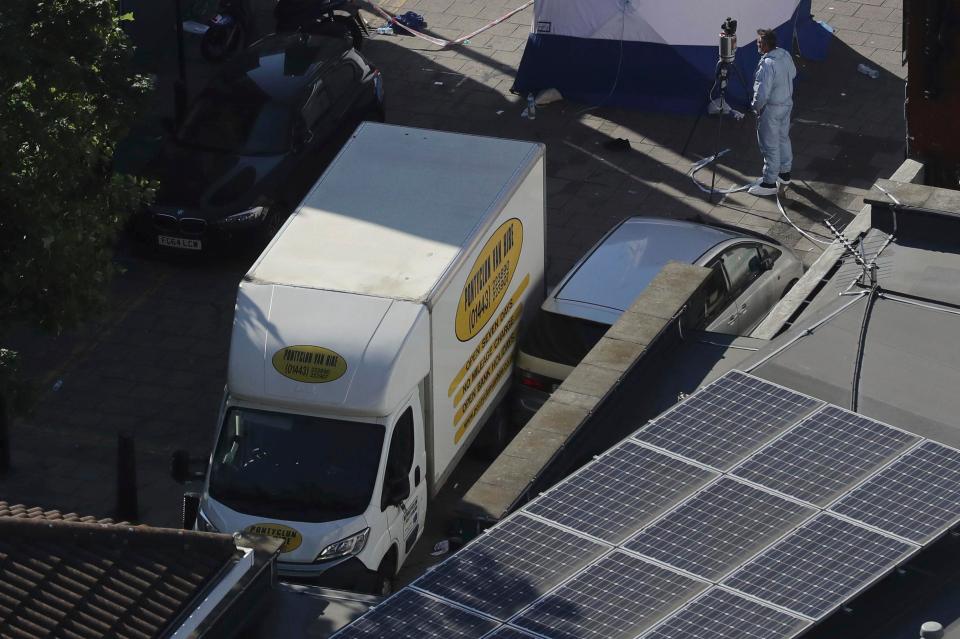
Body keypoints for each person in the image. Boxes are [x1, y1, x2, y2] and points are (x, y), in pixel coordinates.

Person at [748, 28, 797, 197]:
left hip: (771, 109)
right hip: (786, 104)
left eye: (759, 42)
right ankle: (784, 174)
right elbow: (793, 73)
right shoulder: (784, 54)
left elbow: (762, 92)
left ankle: (769, 182)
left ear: (766, 44)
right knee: (783, 138)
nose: (757, 44)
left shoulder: (767, 64)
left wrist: (756, 107)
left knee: (769, 145)